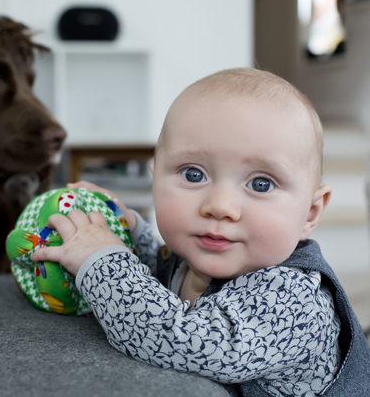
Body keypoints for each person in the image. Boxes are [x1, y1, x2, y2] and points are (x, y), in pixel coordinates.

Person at [31, 68, 370, 397]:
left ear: (310, 213)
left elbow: (180, 340)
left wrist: (102, 261)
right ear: (155, 178)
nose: (220, 205)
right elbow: (162, 276)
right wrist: (125, 230)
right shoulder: (204, 253)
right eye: (193, 175)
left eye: (261, 183)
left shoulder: (294, 301)